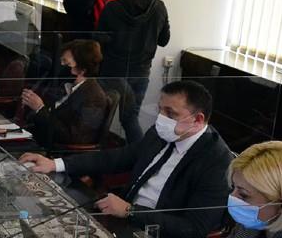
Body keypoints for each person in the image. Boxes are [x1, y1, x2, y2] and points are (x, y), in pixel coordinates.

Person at [19, 80, 232, 238]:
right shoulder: (162, 133)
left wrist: (130, 211)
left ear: (198, 120)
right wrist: (56, 164)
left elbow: (194, 228)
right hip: (122, 217)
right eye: (160, 110)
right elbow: (118, 158)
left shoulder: (216, 161)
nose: (161, 118)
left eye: (170, 113)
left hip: (151, 229)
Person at [96, 0, 170, 143]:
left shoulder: (112, 8)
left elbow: (99, 40)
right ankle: (138, 155)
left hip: (111, 72)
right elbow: (164, 40)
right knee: (130, 119)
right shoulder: (159, 7)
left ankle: (94, 152)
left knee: (98, 115)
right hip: (141, 73)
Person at [17, 39, 112, 148]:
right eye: (61, 61)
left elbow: (74, 137)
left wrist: (39, 108)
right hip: (33, 135)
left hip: (49, 149)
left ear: (82, 69)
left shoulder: (93, 97)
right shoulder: (65, 86)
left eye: (66, 63)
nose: (61, 65)